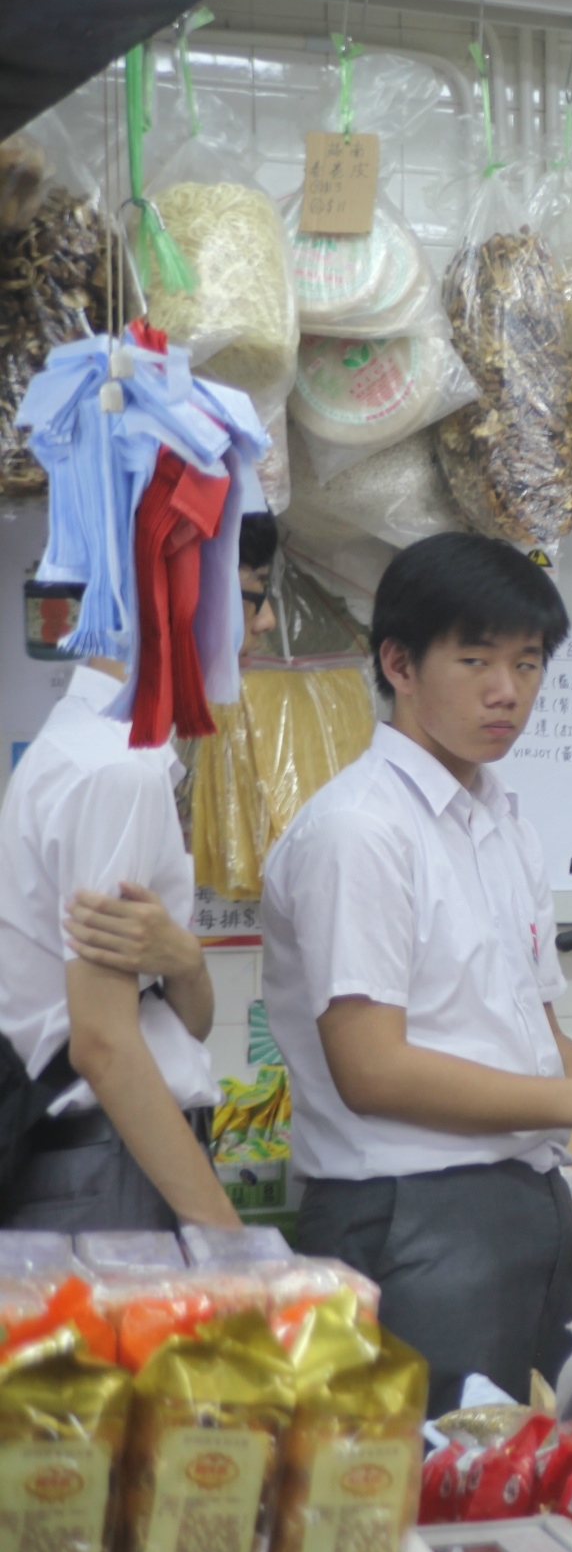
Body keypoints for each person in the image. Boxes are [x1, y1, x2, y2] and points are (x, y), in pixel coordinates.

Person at [262, 532, 572, 1411]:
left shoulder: (499, 820)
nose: (506, 691)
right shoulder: (359, 831)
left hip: (530, 1204)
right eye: (475, 658)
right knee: (441, 1502)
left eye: (527, 663)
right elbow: (372, 1069)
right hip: (407, 1218)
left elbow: (531, 1030)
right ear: (398, 663)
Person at [0, 514, 281, 1233]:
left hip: (117, 1157)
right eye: (251, 596)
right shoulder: (113, 770)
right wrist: (228, 1241)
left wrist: (185, 962)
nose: (265, 622)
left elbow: (176, 1024)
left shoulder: (110, 754)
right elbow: (102, 1040)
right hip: (105, 1167)